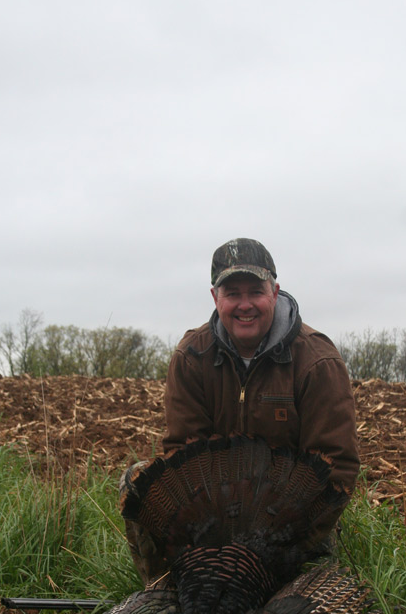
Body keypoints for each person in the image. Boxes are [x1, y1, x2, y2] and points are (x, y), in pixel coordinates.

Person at [123, 238, 360, 584]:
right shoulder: (192, 356)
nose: (244, 305)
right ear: (215, 297)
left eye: (255, 292)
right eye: (232, 293)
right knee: (136, 481)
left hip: (290, 526)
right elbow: (182, 457)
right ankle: (166, 594)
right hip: (214, 521)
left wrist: (275, 553)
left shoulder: (316, 360)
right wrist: (213, 555)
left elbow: (336, 467)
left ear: (275, 292)